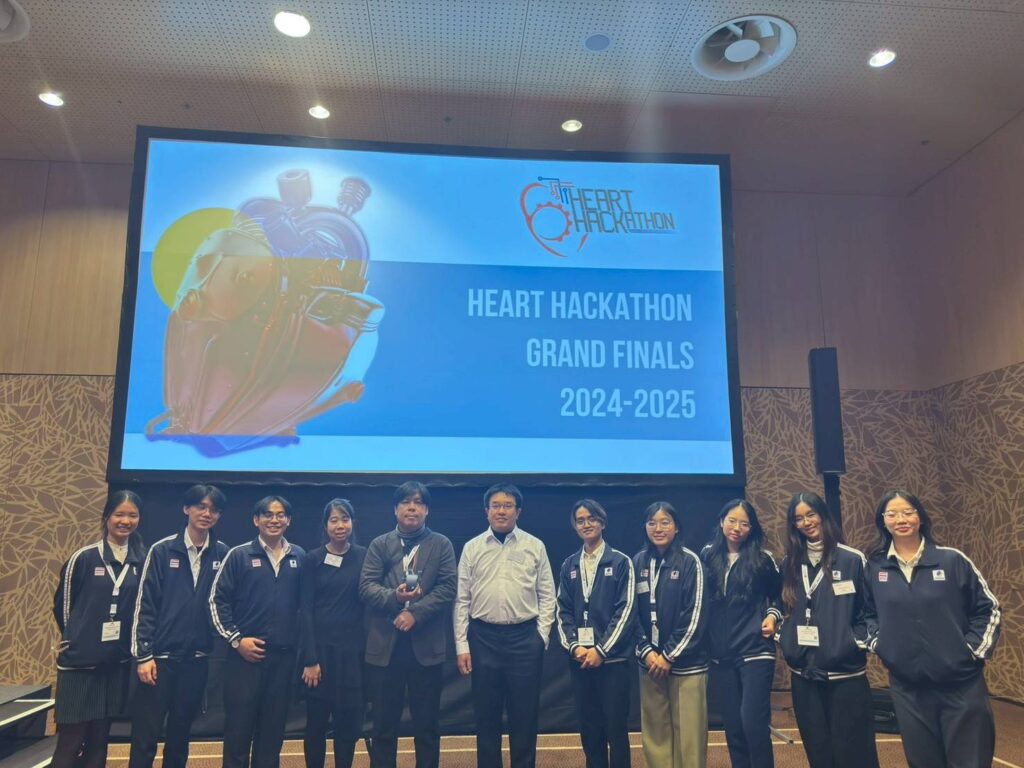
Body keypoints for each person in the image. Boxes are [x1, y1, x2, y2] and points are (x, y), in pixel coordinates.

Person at [865, 491, 1001, 768]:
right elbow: (865, 615)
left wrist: (970, 651)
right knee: (923, 761)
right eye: (892, 514)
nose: (901, 519)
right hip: (908, 688)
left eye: (908, 512)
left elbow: (989, 608)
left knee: (970, 761)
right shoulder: (875, 567)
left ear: (921, 517)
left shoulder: (951, 560)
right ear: (883, 521)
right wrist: (883, 646)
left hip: (960, 683)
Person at [454, 483, 556, 768]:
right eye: (496, 505)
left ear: (518, 511)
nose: (501, 511)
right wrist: (462, 645)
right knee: (486, 715)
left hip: (525, 640)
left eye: (507, 505)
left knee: (524, 715)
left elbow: (548, 595)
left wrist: (541, 637)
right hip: (483, 638)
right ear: (486, 511)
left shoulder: (535, 546)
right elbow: (461, 599)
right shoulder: (472, 548)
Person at [129, 484, 230, 768]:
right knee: (145, 735)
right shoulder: (162, 550)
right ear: (187, 509)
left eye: (213, 510)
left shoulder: (222, 553)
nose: (207, 514)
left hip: (196, 660)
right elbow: (145, 604)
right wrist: (143, 655)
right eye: (201, 506)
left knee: (181, 732)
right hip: (158, 660)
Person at [777, 491, 878, 768]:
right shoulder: (789, 563)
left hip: (846, 674)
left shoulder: (852, 559)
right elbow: (780, 607)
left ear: (822, 515)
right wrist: (786, 638)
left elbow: (871, 611)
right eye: (798, 518)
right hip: (804, 674)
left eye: (811, 514)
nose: (806, 522)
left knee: (854, 752)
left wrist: (852, 642)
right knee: (818, 751)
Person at [359, 482, 456, 768]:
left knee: (427, 726)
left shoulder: (441, 544)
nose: (411, 507)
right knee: (383, 726)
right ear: (395, 509)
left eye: (418, 502)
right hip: (385, 647)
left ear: (427, 510)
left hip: (425, 648)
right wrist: (394, 597)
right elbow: (365, 587)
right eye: (405, 502)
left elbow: (448, 588)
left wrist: (416, 613)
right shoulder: (380, 544)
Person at [210, 495, 305, 768]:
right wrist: (236, 640)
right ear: (256, 520)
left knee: (272, 736)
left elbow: (306, 607)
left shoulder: (299, 556)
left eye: (280, 515)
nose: (274, 520)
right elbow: (216, 601)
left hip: (283, 661)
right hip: (245, 660)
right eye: (267, 514)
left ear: (289, 521)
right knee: (238, 734)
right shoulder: (239, 555)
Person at [51, 490, 145, 768]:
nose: (125, 521)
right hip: (80, 665)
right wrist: (75, 639)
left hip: (114, 663)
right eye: (119, 514)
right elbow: (63, 605)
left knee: (99, 739)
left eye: (132, 515)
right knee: (70, 740)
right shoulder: (84, 557)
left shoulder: (141, 561)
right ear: (106, 517)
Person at [555, 498, 636, 768]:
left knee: (616, 730)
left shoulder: (621, 562)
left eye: (591, 519)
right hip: (581, 661)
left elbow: (626, 611)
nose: (586, 524)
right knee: (590, 730)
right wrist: (574, 646)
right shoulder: (569, 565)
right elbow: (562, 611)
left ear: (602, 522)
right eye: (580, 520)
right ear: (574, 526)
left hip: (613, 662)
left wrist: (601, 650)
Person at [700, 499, 781, 768]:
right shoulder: (707, 555)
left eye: (744, 524)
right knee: (733, 727)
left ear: (752, 528)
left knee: (753, 724)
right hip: (721, 654)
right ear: (721, 522)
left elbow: (780, 596)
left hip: (755, 650)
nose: (737, 528)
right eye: (732, 521)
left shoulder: (763, 558)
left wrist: (772, 616)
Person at [633, 500, 709, 768]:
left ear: (676, 527)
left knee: (689, 738)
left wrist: (668, 656)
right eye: (652, 523)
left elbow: (695, 614)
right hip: (650, 665)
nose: (658, 528)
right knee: (655, 735)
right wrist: (647, 652)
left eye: (665, 522)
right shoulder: (638, 561)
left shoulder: (690, 561)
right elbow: (631, 613)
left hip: (686, 664)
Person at [300, 499, 368, 768]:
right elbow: (305, 611)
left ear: (353, 523)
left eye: (345, 519)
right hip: (320, 655)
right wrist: (310, 659)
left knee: (347, 725)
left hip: (352, 656)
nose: (340, 525)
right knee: (316, 725)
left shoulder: (364, 556)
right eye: (334, 520)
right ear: (325, 525)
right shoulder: (312, 559)